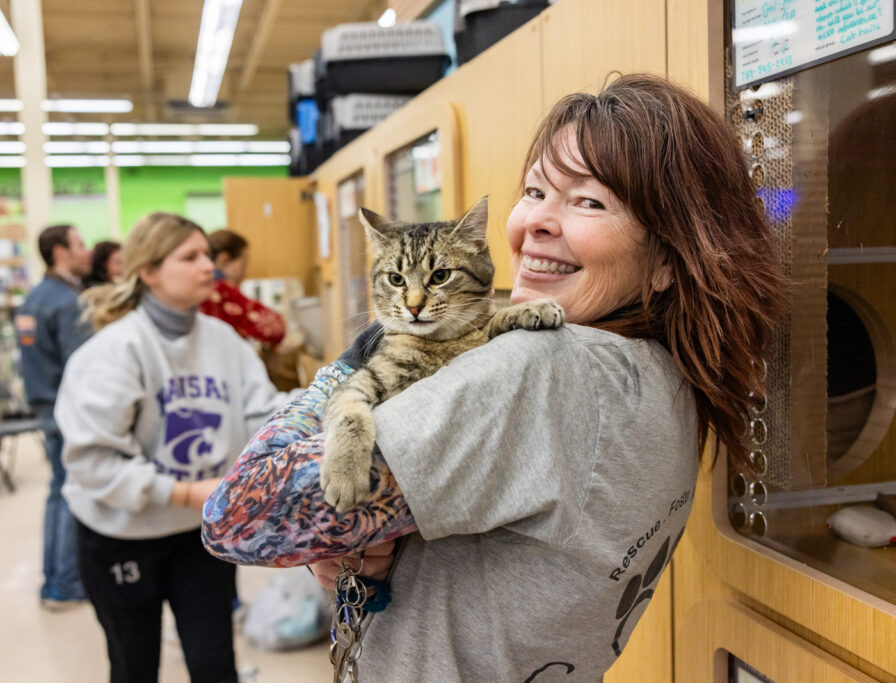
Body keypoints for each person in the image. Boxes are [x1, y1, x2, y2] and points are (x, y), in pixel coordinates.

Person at [201, 74, 784, 681]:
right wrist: (356, 540)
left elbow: (237, 518)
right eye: (535, 189)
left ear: (667, 260)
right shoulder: (667, 374)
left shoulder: (541, 367)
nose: (537, 222)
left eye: (589, 201)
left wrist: (350, 366)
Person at [54, 212, 290, 683]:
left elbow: (262, 416)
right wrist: (183, 492)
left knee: (215, 665)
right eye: (192, 257)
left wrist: (328, 401)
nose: (210, 267)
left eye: (208, 254)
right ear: (148, 271)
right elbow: (93, 463)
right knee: (134, 667)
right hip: (121, 533)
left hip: (200, 534)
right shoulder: (112, 352)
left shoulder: (224, 341)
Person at [15, 223, 93, 608]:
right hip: (67, 410)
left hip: (43, 406)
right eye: (80, 244)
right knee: (69, 494)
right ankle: (65, 583)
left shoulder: (34, 298)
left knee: (57, 491)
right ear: (60, 252)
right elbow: (84, 367)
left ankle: (53, 580)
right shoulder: (67, 302)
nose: (87, 251)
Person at [199, 229, 287, 349]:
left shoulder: (200, 288)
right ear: (223, 259)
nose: (244, 273)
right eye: (243, 265)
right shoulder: (221, 290)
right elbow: (276, 328)